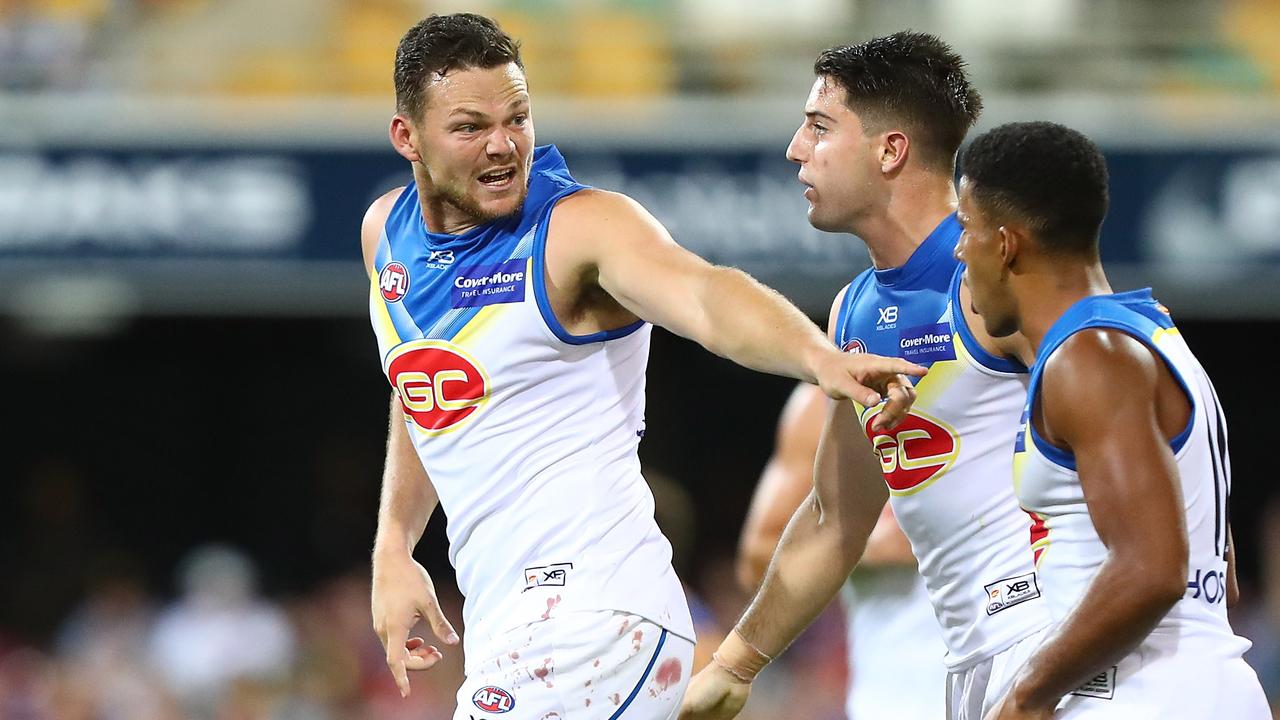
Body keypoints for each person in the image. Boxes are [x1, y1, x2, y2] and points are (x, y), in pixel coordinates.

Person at [360, 13, 926, 720]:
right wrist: (394, 547)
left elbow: (704, 293)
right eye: (471, 127)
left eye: (519, 117)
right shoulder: (386, 234)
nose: (504, 145)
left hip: (593, 616)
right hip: (514, 623)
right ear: (406, 137)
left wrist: (817, 357)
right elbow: (422, 382)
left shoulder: (580, 228)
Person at [680, 32, 1053, 720]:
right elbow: (832, 518)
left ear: (890, 150)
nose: (796, 148)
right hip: (968, 670)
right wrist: (735, 665)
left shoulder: (1002, 273)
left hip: (1059, 656)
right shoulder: (857, 312)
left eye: (820, 127)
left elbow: (1133, 417)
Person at [953, 121, 1269, 719]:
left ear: (1004, 243)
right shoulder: (1147, 334)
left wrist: (1026, 696)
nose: (958, 251)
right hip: (1189, 687)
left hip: (1143, 697)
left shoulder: (1089, 358)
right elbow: (1214, 571)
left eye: (965, 228)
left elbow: (1152, 569)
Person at [736, 382, 946, 719]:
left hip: (1023, 680)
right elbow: (758, 556)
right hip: (895, 700)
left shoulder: (1027, 370)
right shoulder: (834, 400)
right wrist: (863, 545)